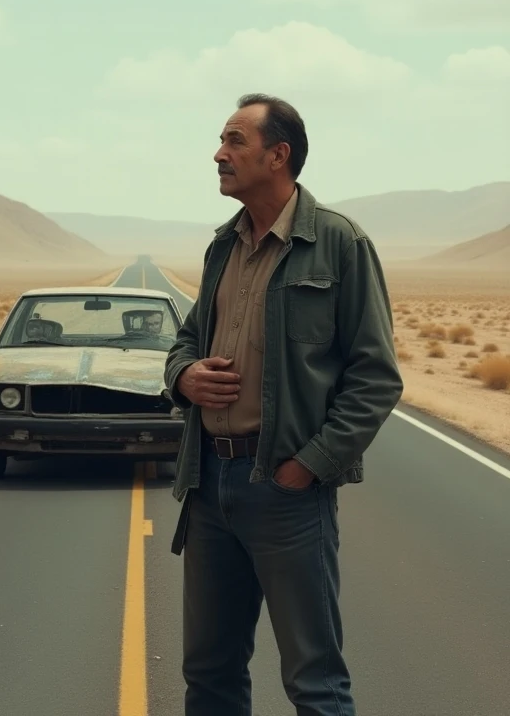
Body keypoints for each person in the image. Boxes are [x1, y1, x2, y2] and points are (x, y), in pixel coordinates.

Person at [164, 93, 403, 716]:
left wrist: (311, 464)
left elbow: (376, 377)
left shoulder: (340, 244)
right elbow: (187, 341)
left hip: (288, 491)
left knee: (314, 682)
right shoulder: (223, 246)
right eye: (221, 140)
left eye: (235, 141)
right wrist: (185, 375)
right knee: (209, 674)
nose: (219, 154)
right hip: (209, 484)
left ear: (279, 154)